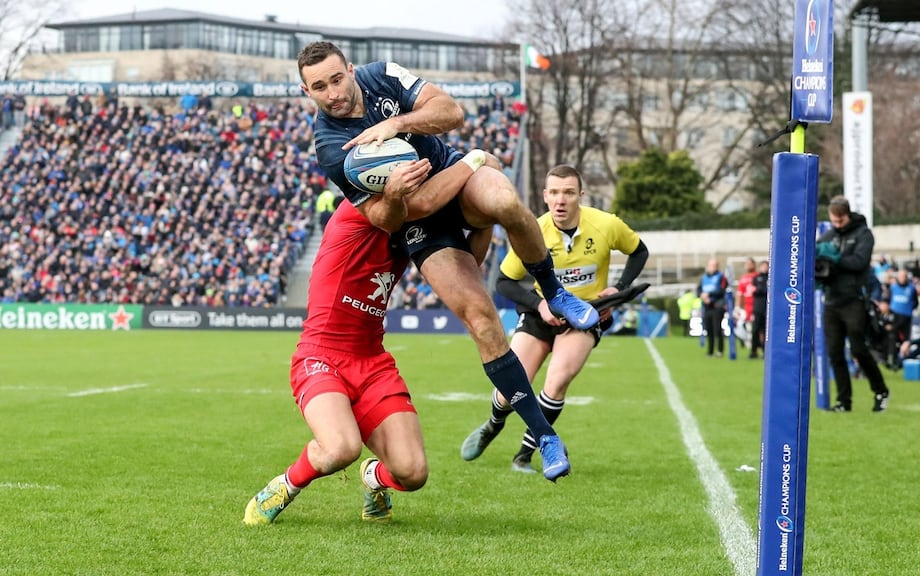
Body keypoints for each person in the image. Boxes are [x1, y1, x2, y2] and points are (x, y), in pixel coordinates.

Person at [298, 41, 597, 481]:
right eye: (319, 87)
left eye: (337, 79)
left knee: (505, 199)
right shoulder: (331, 145)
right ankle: (545, 436)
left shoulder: (382, 75)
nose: (333, 93)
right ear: (308, 92)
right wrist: (400, 192)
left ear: (352, 70)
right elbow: (390, 216)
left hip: (452, 178)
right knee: (482, 320)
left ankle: (554, 291)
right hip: (418, 220)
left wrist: (397, 123)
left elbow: (452, 113)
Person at [244, 186, 485, 525]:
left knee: (413, 473)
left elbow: (465, 267)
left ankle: (374, 479)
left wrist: (485, 222)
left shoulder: (409, 230)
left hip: (373, 363)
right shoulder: (356, 210)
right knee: (340, 449)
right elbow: (404, 200)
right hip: (321, 356)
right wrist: (474, 163)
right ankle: (285, 485)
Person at [459, 164, 648, 474]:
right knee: (509, 388)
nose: (562, 200)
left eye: (569, 193)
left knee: (557, 380)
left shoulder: (606, 224)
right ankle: (493, 425)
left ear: (580, 196)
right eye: (555, 193)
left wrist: (620, 288)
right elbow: (503, 282)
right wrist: (540, 303)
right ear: (545, 196)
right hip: (540, 314)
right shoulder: (532, 230)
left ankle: (524, 455)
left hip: (585, 314)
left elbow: (639, 251)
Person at [815, 195, 890, 412]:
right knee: (835, 352)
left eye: (841, 221)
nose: (837, 225)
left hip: (854, 299)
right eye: (834, 221)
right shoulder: (828, 236)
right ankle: (843, 401)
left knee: (859, 349)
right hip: (831, 299)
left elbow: (860, 262)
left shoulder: (863, 234)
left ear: (847, 215)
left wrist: (836, 259)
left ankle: (880, 390)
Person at [699, 258, 728, 357]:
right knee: (709, 329)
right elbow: (699, 289)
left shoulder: (721, 276)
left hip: (717, 305)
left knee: (717, 329)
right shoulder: (704, 277)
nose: (713, 267)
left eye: (715, 265)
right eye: (711, 265)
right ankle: (710, 351)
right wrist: (702, 296)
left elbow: (722, 290)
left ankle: (720, 350)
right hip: (707, 306)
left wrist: (709, 295)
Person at [749, 260, 769, 359]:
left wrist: (758, 290)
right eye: (763, 266)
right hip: (757, 308)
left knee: (766, 331)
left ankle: (765, 351)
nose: (764, 268)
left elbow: (765, 290)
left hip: (767, 308)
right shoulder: (756, 278)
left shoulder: (770, 278)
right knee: (755, 330)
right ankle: (753, 351)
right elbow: (751, 290)